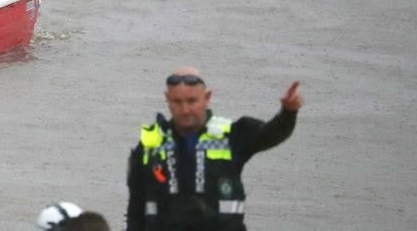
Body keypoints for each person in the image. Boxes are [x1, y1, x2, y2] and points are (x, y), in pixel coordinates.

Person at [126, 67, 303, 231]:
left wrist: (288, 113)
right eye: (177, 101)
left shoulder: (232, 135)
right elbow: (135, 211)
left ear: (207, 97)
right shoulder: (149, 145)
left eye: (192, 101)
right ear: (167, 99)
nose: (185, 109)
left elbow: (271, 134)